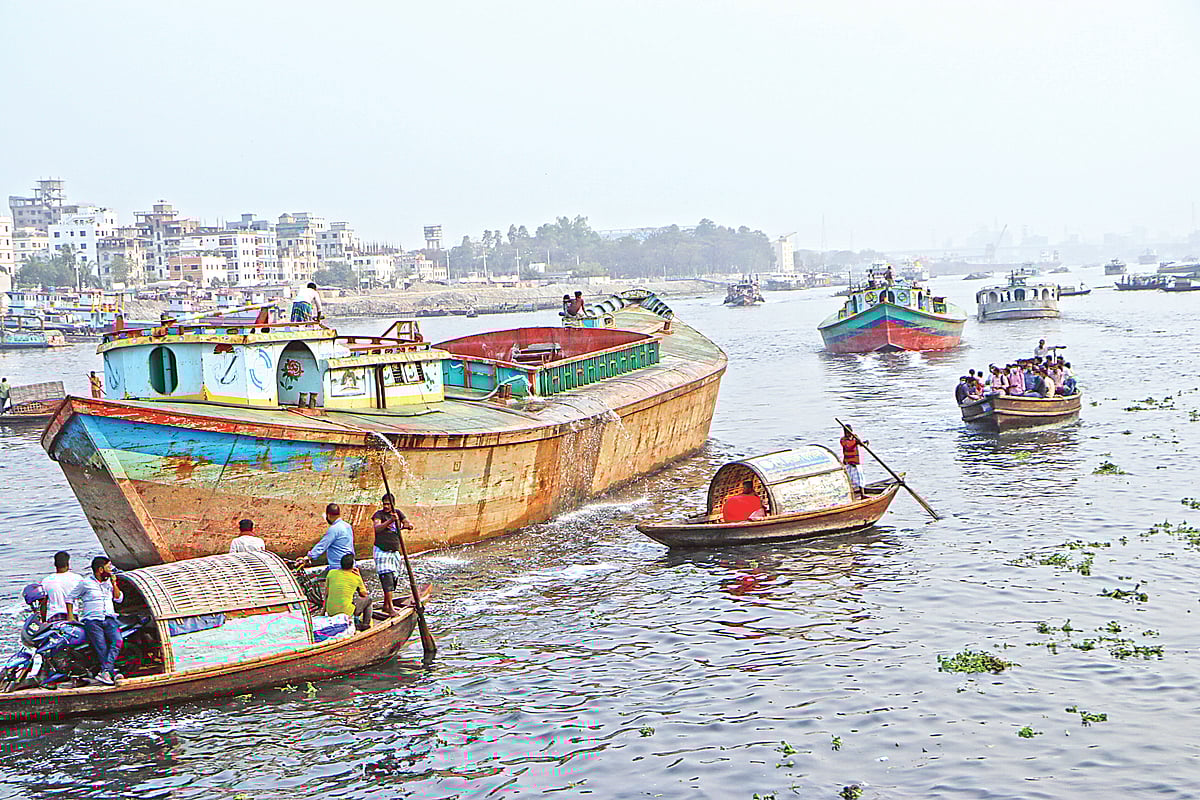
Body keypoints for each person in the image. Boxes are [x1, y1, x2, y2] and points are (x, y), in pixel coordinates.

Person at [66, 556, 124, 685]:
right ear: (100, 569)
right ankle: (109, 673)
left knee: (118, 641)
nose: (111, 571)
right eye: (108, 568)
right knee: (101, 647)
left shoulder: (108, 582)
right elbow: (70, 598)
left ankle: (106, 672)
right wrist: (70, 616)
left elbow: (118, 599)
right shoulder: (85, 583)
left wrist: (114, 584)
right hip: (93, 620)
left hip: (109, 618)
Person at [372, 493, 412, 616]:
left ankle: (386, 604)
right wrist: (390, 521)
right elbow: (377, 528)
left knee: (393, 577)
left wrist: (406, 525)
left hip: (394, 551)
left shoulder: (398, 513)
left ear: (393, 504)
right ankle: (389, 607)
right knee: (387, 576)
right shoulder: (379, 515)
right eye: (384, 504)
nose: (386, 506)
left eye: (388, 504)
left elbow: (407, 524)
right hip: (381, 550)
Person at [297, 503, 355, 572]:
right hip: (351, 564)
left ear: (328, 515)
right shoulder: (347, 526)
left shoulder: (334, 529)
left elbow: (322, 545)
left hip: (338, 566)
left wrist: (309, 557)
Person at [324, 553, 372, 628]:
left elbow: (327, 594)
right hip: (346, 612)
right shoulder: (355, 577)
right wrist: (359, 576)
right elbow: (364, 594)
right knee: (369, 600)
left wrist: (323, 612)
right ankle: (366, 625)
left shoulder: (331, 573)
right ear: (352, 565)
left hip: (330, 611)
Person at [40, 551, 82, 623]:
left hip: (54, 617)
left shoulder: (46, 581)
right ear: (68, 564)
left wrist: (43, 621)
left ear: (55, 564)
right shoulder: (77, 579)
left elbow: (43, 604)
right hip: (72, 615)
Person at [840, 424, 869, 496]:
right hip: (848, 462)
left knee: (860, 479)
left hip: (856, 462)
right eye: (847, 432)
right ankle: (851, 495)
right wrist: (856, 441)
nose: (848, 434)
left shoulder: (855, 437)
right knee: (849, 480)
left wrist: (863, 442)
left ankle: (862, 494)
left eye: (849, 432)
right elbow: (848, 447)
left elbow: (861, 444)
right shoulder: (843, 440)